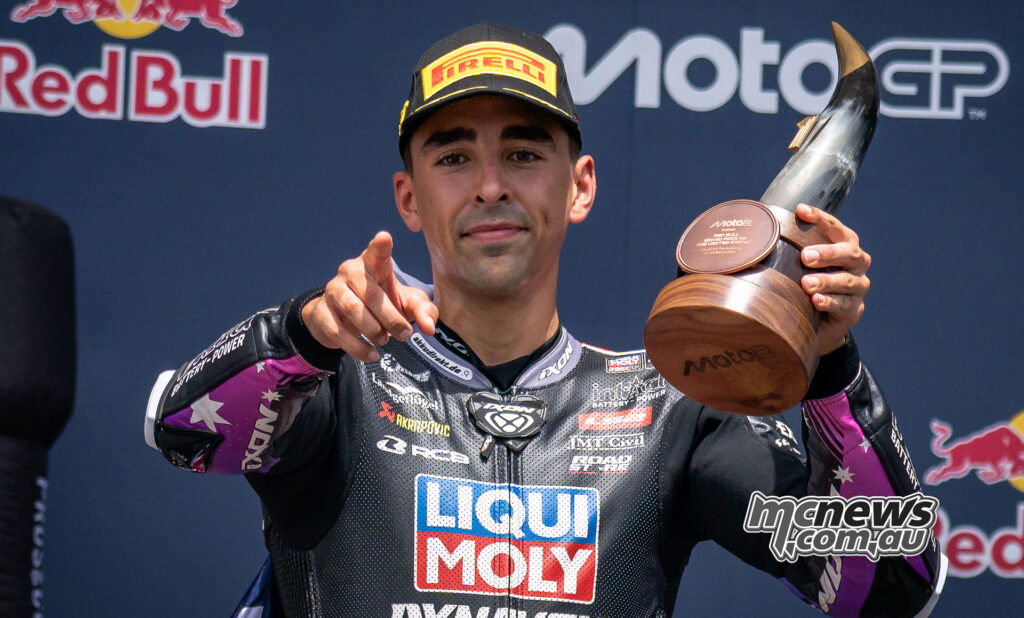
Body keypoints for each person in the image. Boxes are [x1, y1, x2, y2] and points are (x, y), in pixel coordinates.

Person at [144, 23, 945, 618]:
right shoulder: (337, 383)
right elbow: (184, 430)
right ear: (409, 199)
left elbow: (890, 582)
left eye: (524, 154)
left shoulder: (672, 412)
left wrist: (830, 367)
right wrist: (307, 335)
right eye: (454, 156)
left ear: (580, 186)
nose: (490, 185)